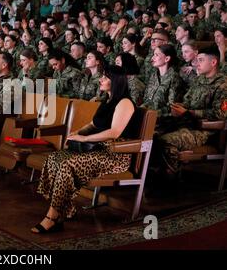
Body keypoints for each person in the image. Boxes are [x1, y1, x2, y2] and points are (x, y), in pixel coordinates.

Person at [32, 66, 140, 233]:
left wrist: (84, 138)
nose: (100, 80)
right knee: (54, 158)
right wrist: (79, 132)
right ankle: (65, 209)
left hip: (115, 155)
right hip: (96, 149)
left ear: (116, 81)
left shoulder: (125, 102)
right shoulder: (107, 100)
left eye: (105, 78)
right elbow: (93, 124)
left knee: (68, 165)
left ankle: (52, 217)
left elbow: (115, 132)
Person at [155, 46, 227, 177]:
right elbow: (187, 101)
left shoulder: (223, 84)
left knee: (165, 141)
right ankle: (160, 172)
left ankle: (171, 175)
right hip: (186, 122)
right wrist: (178, 107)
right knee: (153, 134)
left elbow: (220, 114)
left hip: (205, 130)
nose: (196, 63)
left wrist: (191, 113)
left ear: (213, 62)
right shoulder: (199, 80)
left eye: (200, 60)